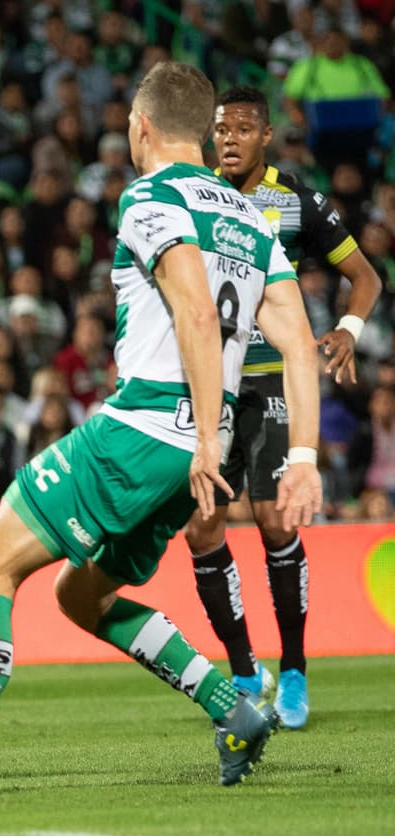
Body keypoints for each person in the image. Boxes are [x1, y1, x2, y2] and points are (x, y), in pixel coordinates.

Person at [0, 62, 322, 801]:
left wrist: (204, 438)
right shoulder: (252, 219)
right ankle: (232, 706)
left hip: (147, 430)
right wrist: (300, 455)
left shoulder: (150, 197)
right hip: (197, 451)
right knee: (80, 595)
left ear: (141, 127)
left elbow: (196, 310)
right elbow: (300, 345)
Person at [186, 86, 381, 728]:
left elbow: (366, 276)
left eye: (243, 128)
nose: (230, 138)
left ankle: (293, 670)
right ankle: (245, 671)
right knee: (202, 529)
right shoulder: (192, 195)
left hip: (272, 379)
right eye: (221, 129)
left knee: (275, 523)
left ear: (266, 136)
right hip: (210, 383)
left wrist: (347, 329)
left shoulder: (295, 200)